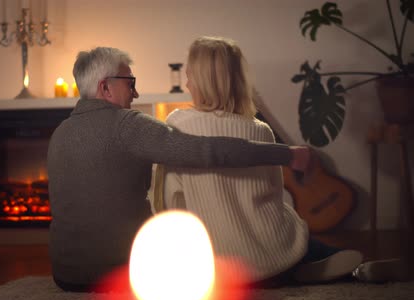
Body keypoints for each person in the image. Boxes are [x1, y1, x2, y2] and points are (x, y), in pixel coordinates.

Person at [47, 46, 315, 292]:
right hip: (122, 274)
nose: (136, 93)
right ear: (105, 88)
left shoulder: (59, 132)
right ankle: (302, 259)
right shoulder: (127, 124)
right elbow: (208, 151)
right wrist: (286, 154)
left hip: (65, 276)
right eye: (130, 83)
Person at [156, 36, 408, 286]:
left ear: (200, 79)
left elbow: (172, 201)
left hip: (216, 264)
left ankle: (295, 268)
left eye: (189, 74)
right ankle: (315, 264)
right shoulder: (261, 131)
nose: (187, 82)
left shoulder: (177, 127)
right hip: (272, 250)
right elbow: (275, 194)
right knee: (302, 238)